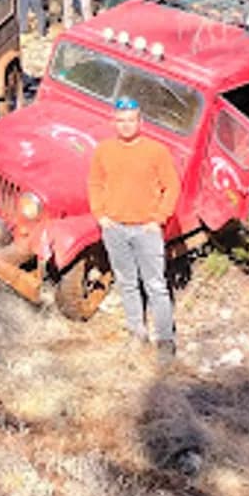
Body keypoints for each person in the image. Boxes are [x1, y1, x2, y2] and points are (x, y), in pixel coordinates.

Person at [87, 97, 181, 365]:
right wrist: (101, 215)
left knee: (155, 285)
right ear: (113, 122)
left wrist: (158, 219)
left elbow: (172, 187)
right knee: (127, 283)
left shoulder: (156, 151)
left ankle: (165, 340)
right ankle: (136, 333)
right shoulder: (104, 150)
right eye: (120, 120)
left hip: (146, 229)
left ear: (141, 122)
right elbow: (95, 182)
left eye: (131, 120)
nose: (126, 125)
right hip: (114, 228)